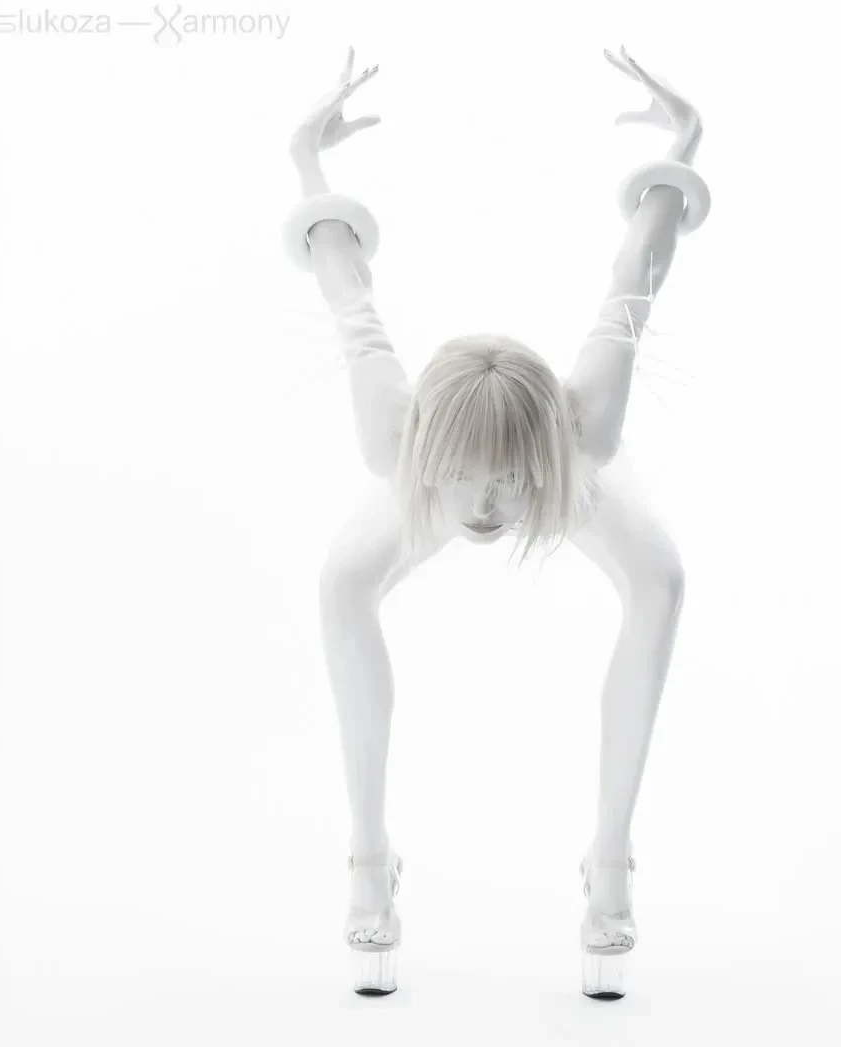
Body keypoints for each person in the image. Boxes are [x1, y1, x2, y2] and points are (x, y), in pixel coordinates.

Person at [283, 44, 709, 998]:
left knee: (661, 578)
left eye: (505, 485)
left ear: (544, 455)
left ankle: (609, 860)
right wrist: (306, 159)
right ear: (428, 453)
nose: (484, 510)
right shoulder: (395, 440)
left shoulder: (584, 430)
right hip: (438, 475)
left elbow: (635, 273)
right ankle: (368, 858)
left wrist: (683, 146)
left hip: (566, 475)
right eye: (468, 482)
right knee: (341, 582)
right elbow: (346, 287)